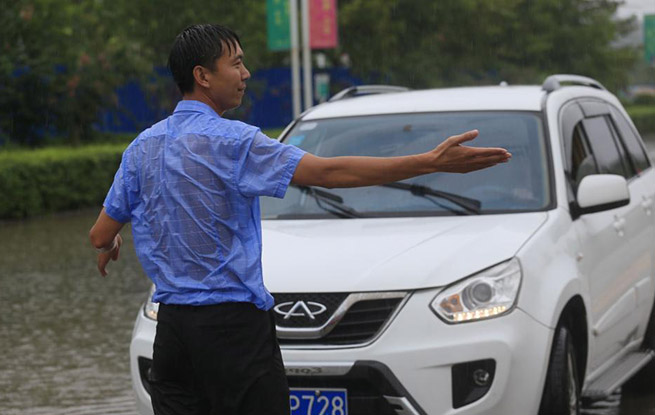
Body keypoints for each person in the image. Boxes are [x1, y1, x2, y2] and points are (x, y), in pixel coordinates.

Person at [89, 24, 511, 415]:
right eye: (236, 63)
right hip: (233, 332)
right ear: (202, 75)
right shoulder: (234, 142)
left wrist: (112, 244)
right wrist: (429, 161)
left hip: (173, 335)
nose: (246, 73)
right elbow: (329, 173)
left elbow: (99, 234)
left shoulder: (142, 147)